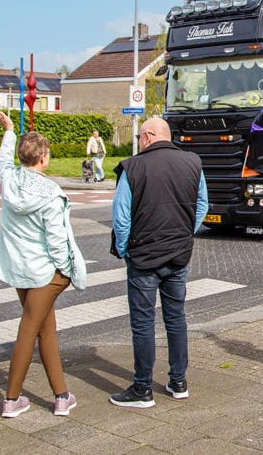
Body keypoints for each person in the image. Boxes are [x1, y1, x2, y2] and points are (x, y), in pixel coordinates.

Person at [0, 111, 87, 418]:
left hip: (19, 268)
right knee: (30, 329)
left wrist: (8, 132)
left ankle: (61, 396)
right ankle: (11, 399)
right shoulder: (51, 195)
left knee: (46, 330)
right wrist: (67, 271)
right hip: (45, 271)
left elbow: (3, 162)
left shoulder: (10, 180)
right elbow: (57, 240)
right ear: (42, 158)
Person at [110, 117, 208, 408]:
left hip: (143, 258)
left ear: (149, 137)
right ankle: (178, 381)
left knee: (142, 323)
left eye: (140, 136)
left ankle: (142, 389)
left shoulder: (133, 167)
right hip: (178, 256)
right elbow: (202, 204)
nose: (138, 142)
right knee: (176, 318)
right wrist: (184, 233)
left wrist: (125, 248)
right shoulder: (193, 162)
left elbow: (121, 216)